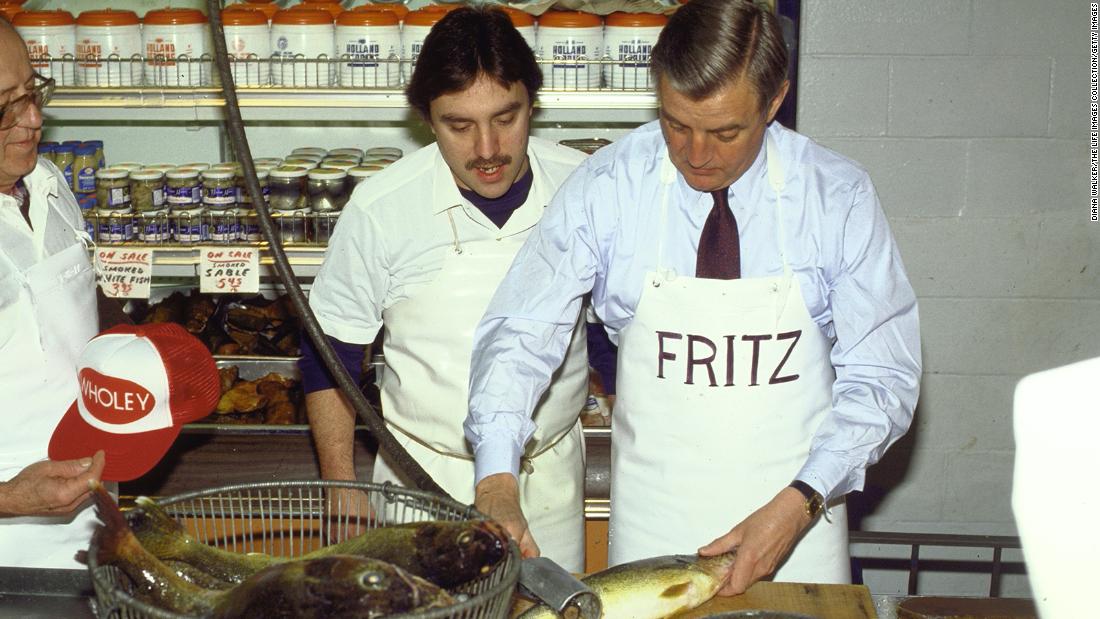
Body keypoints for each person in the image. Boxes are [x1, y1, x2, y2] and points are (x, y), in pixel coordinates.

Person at [466, 0, 921, 594]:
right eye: (676, 125)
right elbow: (522, 331)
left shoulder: (836, 198)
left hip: (799, 520)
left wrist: (801, 502)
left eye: (725, 131)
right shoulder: (608, 187)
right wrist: (495, 475)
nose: (697, 154)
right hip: (654, 527)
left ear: (775, 100)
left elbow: (884, 378)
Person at [302, 6, 591, 572]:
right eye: (459, 126)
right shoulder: (383, 208)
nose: (487, 148)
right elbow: (329, 353)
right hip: (425, 482)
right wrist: (342, 486)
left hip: (548, 477)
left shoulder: (582, 187)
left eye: (506, 118)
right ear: (426, 122)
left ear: (533, 103)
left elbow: (609, 327)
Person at [0, 17, 107, 568]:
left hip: (88, 525)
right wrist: (10, 498)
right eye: (5, 108)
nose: (34, 121)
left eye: (33, 93)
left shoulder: (49, 184)